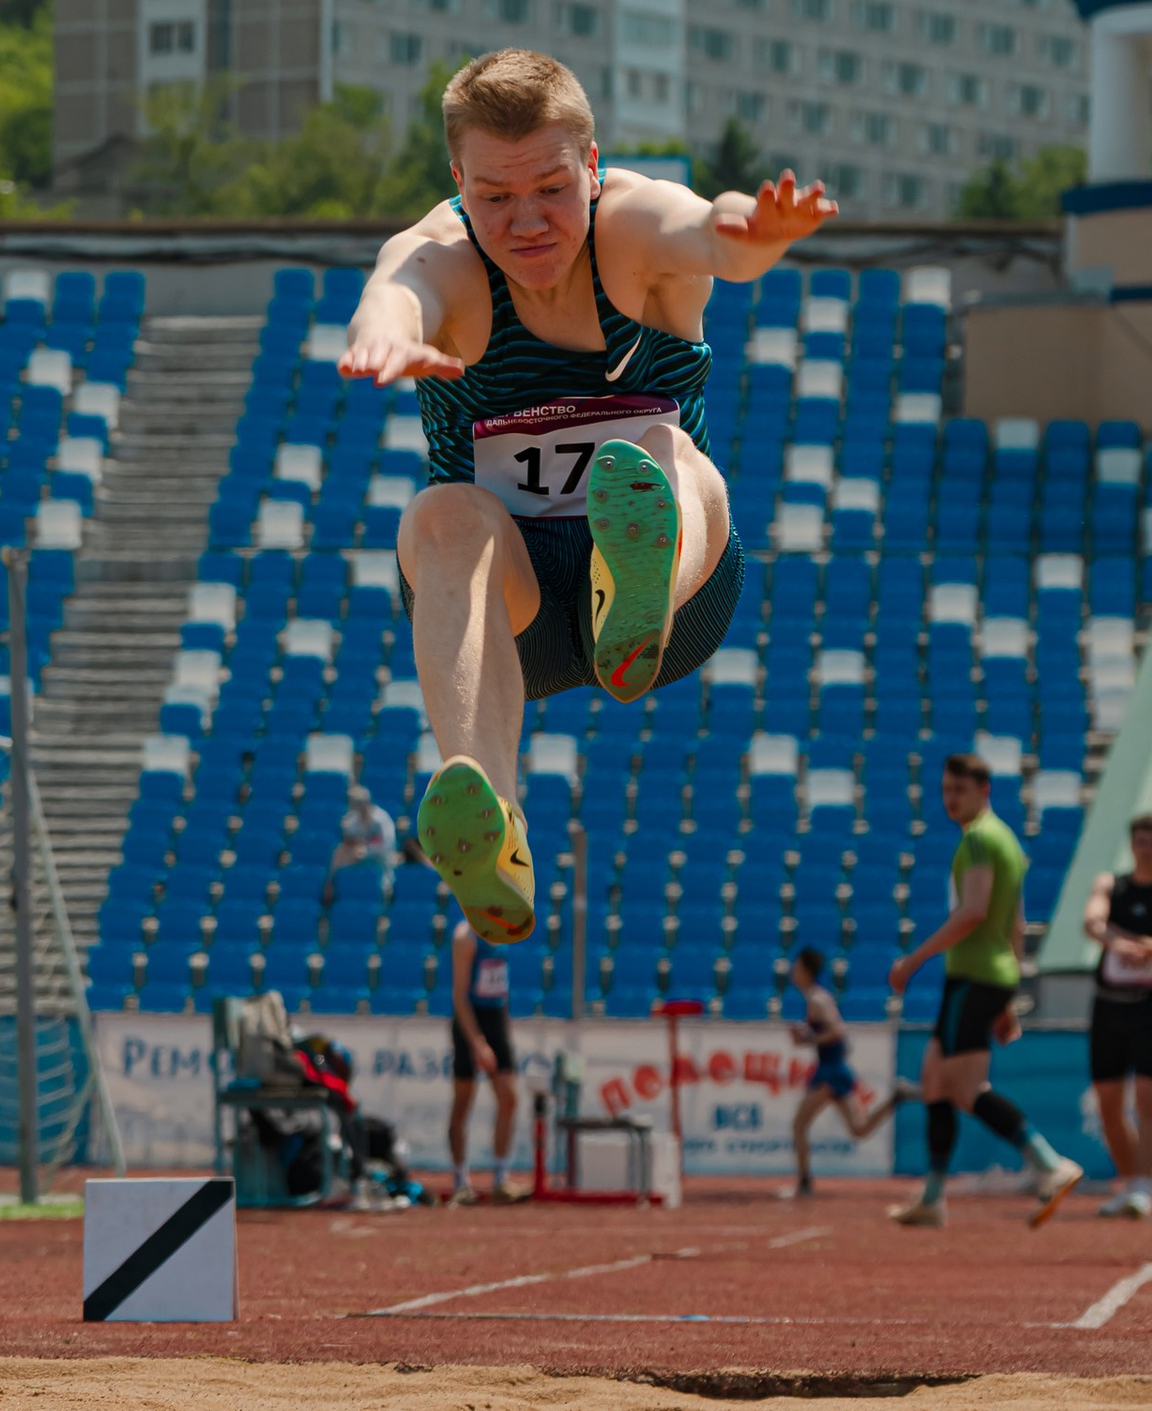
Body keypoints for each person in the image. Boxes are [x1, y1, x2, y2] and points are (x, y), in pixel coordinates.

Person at [338, 50, 836, 946]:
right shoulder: (443, 258)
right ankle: (489, 812)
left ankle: (631, 586)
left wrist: (759, 233)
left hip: (673, 606)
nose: (526, 221)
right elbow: (394, 293)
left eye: (552, 190)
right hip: (507, 620)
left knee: (667, 451)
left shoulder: (633, 232)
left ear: (594, 168)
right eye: (494, 197)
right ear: (459, 183)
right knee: (438, 516)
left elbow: (709, 229)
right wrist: (383, 340)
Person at [885, 754, 1083, 1230]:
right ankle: (932, 1198)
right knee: (933, 1078)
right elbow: (1014, 921)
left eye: (960, 791)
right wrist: (1010, 995)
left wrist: (915, 958)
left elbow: (974, 912)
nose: (951, 800)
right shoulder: (1007, 842)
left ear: (984, 791)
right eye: (947, 790)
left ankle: (1048, 1162)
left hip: (973, 977)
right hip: (989, 977)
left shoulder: (978, 840)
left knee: (966, 1091)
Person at [1081, 811, 1152, 1218]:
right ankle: (1128, 1181)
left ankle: (1145, 1185)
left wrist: (1142, 947)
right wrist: (1117, 942)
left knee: (1148, 1100)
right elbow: (1092, 921)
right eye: (1140, 841)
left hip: (1148, 1010)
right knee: (1109, 1103)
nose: (1146, 849)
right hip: (1108, 1007)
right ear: (1132, 845)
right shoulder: (1110, 885)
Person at [782, 947, 885, 1199]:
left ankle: (805, 1183)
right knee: (858, 1129)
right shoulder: (817, 998)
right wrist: (805, 1037)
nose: (793, 972)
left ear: (806, 970)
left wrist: (807, 1039)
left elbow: (838, 1033)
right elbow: (831, 1034)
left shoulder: (817, 999)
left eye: (796, 967)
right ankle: (896, 1099)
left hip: (830, 1071)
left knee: (799, 1125)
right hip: (834, 1068)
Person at [445, 915, 521, 1203]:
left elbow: (501, 985)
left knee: (509, 1098)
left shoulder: (506, 928)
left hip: (497, 1018)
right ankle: (460, 1180)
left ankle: (501, 1178)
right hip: (470, 1020)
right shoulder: (465, 937)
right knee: (463, 1101)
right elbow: (460, 995)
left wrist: (504, 1029)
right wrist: (477, 1043)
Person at [329, 784, 399, 892]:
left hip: (380, 864)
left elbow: (388, 845)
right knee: (338, 851)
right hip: (358, 864)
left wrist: (366, 851)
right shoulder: (352, 819)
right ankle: (331, 885)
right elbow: (349, 842)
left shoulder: (381, 820)